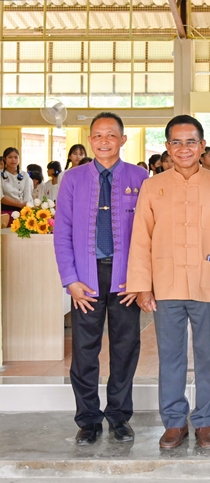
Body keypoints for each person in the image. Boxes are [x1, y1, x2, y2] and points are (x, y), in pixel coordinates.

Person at [127, 115, 210, 450]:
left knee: (208, 355)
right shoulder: (152, 186)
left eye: (191, 141)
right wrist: (141, 285)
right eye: (176, 142)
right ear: (167, 147)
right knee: (171, 355)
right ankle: (174, 422)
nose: (184, 148)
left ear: (202, 146)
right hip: (165, 284)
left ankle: (205, 420)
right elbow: (141, 239)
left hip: (209, 283)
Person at [53, 112, 147, 445]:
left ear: (123, 140)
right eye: (97, 135)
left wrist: (140, 280)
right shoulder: (73, 179)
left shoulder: (141, 177)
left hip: (125, 281)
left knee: (125, 349)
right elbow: (61, 231)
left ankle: (120, 417)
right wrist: (70, 279)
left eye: (111, 135)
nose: (104, 141)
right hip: (86, 280)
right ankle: (88, 419)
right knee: (84, 351)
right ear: (90, 140)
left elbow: (149, 233)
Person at [1, 147, 33, 215]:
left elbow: (27, 194)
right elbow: (1, 197)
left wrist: (24, 207)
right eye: (10, 157)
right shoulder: (1, 174)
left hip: (23, 210)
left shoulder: (25, 175)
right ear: (4, 159)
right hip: (5, 210)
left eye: (16, 157)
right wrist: (19, 204)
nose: (13, 160)